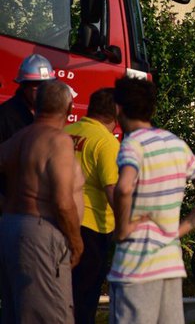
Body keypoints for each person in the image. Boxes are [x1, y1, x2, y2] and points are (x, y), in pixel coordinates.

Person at [107, 76, 195, 324]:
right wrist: (180, 230)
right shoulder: (176, 144)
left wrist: (122, 230)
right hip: (170, 264)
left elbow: (123, 188)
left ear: (118, 109)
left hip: (135, 264)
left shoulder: (132, 145)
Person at [0, 80, 84, 323]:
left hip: (11, 228)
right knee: (49, 314)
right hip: (40, 233)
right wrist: (76, 242)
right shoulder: (58, 141)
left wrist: (6, 206)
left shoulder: (19, 137)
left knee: (18, 313)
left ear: (36, 104)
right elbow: (62, 201)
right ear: (69, 108)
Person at [65, 88, 120, 324]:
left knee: (62, 295)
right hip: (93, 229)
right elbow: (113, 191)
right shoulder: (106, 143)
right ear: (117, 112)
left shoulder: (66, 132)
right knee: (85, 301)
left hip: (60, 223)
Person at [0, 54, 57, 143]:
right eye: (37, 84)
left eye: (47, 84)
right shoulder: (4, 115)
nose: (43, 88)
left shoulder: (50, 113)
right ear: (24, 85)